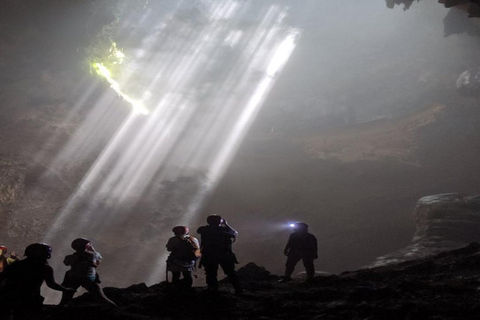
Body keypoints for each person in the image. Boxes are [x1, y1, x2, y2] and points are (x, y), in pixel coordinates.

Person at [0, 243, 75, 319]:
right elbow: (51, 284)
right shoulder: (45, 268)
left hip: (8, 295)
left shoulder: (15, 264)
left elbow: (2, 277)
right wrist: (65, 289)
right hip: (29, 298)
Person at [59, 238, 116, 307]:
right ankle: (115, 308)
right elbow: (98, 261)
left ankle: (59, 311)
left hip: (73, 278)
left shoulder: (70, 257)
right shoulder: (93, 255)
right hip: (89, 278)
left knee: (65, 299)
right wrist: (92, 250)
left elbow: (66, 263)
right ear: (87, 246)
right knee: (101, 298)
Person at [197, 214, 242, 294]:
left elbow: (199, 230)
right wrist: (226, 224)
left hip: (209, 255)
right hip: (225, 255)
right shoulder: (224, 230)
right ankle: (238, 289)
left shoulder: (204, 229)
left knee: (211, 273)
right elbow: (235, 233)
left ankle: (213, 290)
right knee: (231, 273)